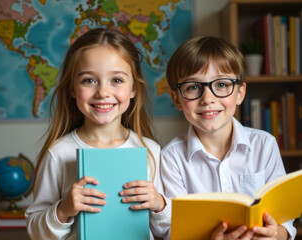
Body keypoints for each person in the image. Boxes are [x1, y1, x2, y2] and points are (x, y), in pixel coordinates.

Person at [25, 28, 170, 240]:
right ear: (72, 89)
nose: (103, 92)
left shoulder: (151, 151)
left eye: (117, 80)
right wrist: (63, 210)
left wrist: (159, 205)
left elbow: (165, 232)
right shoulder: (58, 152)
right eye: (89, 80)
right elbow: (35, 231)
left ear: (133, 89)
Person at [161, 36, 296, 240]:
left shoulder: (264, 145)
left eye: (222, 84)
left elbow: (285, 218)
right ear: (177, 99)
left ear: (240, 93)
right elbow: (171, 229)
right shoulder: (171, 157)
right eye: (193, 87)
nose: (208, 99)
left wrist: (276, 234)